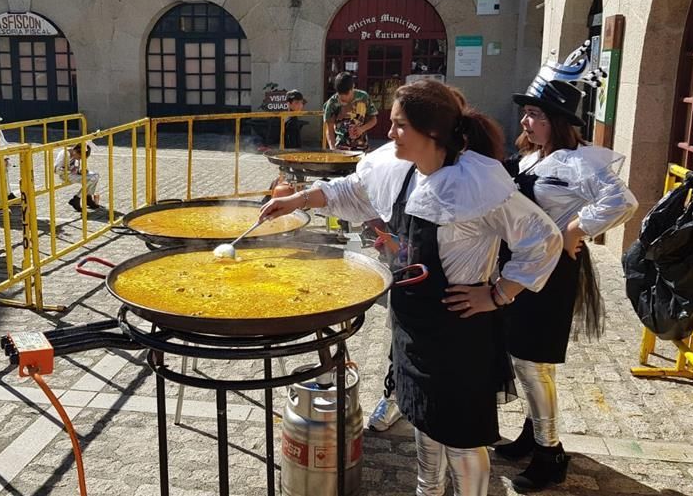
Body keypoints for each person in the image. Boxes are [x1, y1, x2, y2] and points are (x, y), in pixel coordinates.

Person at [261, 79, 563, 496]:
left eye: (400, 125)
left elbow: (544, 238)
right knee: (423, 421)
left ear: (432, 132)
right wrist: (296, 201)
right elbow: (353, 191)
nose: (389, 132)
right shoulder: (403, 172)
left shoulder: (477, 185)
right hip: (413, 326)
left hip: (459, 332)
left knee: (461, 440)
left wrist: (498, 293)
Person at [493, 45, 638, 492]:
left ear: (557, 120)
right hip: (520, 266)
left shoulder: (579, 161)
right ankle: (532, 433)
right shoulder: (531, 157)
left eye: (534, 114)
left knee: (533, 362)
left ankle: (551, 452)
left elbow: (623, 201)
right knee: (521, 357)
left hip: (553, 274)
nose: (525, 121)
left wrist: (576, 227)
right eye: (526, 113)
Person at [322, 72, 377, 151]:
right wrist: (332, 148)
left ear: (353, 87)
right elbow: (329, 129)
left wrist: (362, 129)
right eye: (340, 95)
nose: (344, 99)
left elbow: (373, 120)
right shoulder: (332, 103)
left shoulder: (364, 97)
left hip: (362, 147)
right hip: (341, 147)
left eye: (347, 94)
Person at [54, 143, 101, 212]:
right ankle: (78, 198)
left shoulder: (74, 153)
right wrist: (70, 171)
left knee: (96, 175)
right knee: (91, 179)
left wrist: (80, 170)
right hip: (65, 175)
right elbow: (56, 170)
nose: (79, 159)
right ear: (75, 151)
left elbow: (75, 166)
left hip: (74, 173)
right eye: (79, 157)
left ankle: (87, 197)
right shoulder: (64, 154)